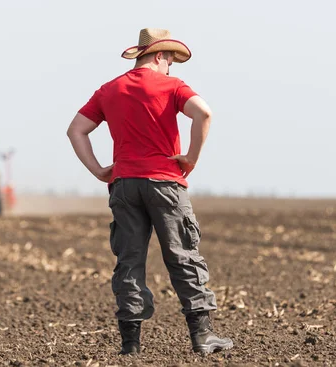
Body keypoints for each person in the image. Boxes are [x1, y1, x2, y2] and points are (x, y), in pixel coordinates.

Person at [66, 28, 233, 356]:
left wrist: (99, 170)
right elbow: (205, 113)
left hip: (124, 185)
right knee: (182, 256)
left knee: (129, 261)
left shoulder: (109, 89)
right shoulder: (171, 86)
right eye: (170, 60)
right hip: (166, 183)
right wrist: (192, 158)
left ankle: (131, 345)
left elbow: (76, 130)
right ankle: (203, 337)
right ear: (160, 56)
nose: (172, 67)